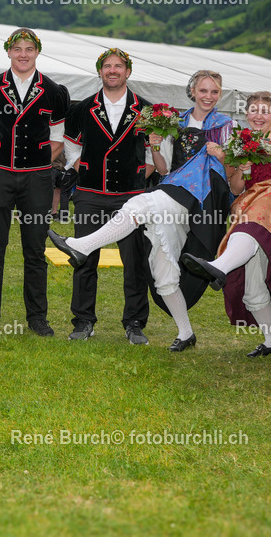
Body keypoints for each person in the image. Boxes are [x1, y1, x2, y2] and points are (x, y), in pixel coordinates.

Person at [49, 70, 235, 351]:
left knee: (140, 203)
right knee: (163, 272)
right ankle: (186, 333)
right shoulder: (175, 122)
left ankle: (81, 246)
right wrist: (156, 146)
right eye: (203, 90)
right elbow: (163, 169)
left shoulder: (227, 125)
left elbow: (234, 176)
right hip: (174, 192)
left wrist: (222, 156)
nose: (208, 96)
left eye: (214, 92)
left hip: (204, 199)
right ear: (193, 92)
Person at [182, 91, 271, 356]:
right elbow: (236, 188)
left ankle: (219, 267)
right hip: (250, 203)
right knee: (252, 289)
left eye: (265, 111)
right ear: (246, 114)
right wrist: (243, 168)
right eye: (254, 110)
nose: (258, 115)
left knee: (248, 227)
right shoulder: (241, 143)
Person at [0, 28, 69, 336]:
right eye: (17, 48)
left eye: (29, 48)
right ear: (9, 52)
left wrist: (34, 165)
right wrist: (3, 162)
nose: (23, 54)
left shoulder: (54, 91)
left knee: (35, 250)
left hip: (37, 180)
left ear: (37, 52)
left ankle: (37, 317)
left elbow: (58, 139)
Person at [61, 48, 155, 344]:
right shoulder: (82, 109)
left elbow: (154, 150)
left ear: (128, 71)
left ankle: (135, 322)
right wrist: (83, 167)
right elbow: (70, 144)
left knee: (135, 261)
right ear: (100, 71)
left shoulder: (147, 110)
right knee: (84, 258)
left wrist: (140, 176)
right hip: (90, 194)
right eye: (107, 66)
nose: (112, 71)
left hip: (132, 197)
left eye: (118, 66)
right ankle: (83, 320)